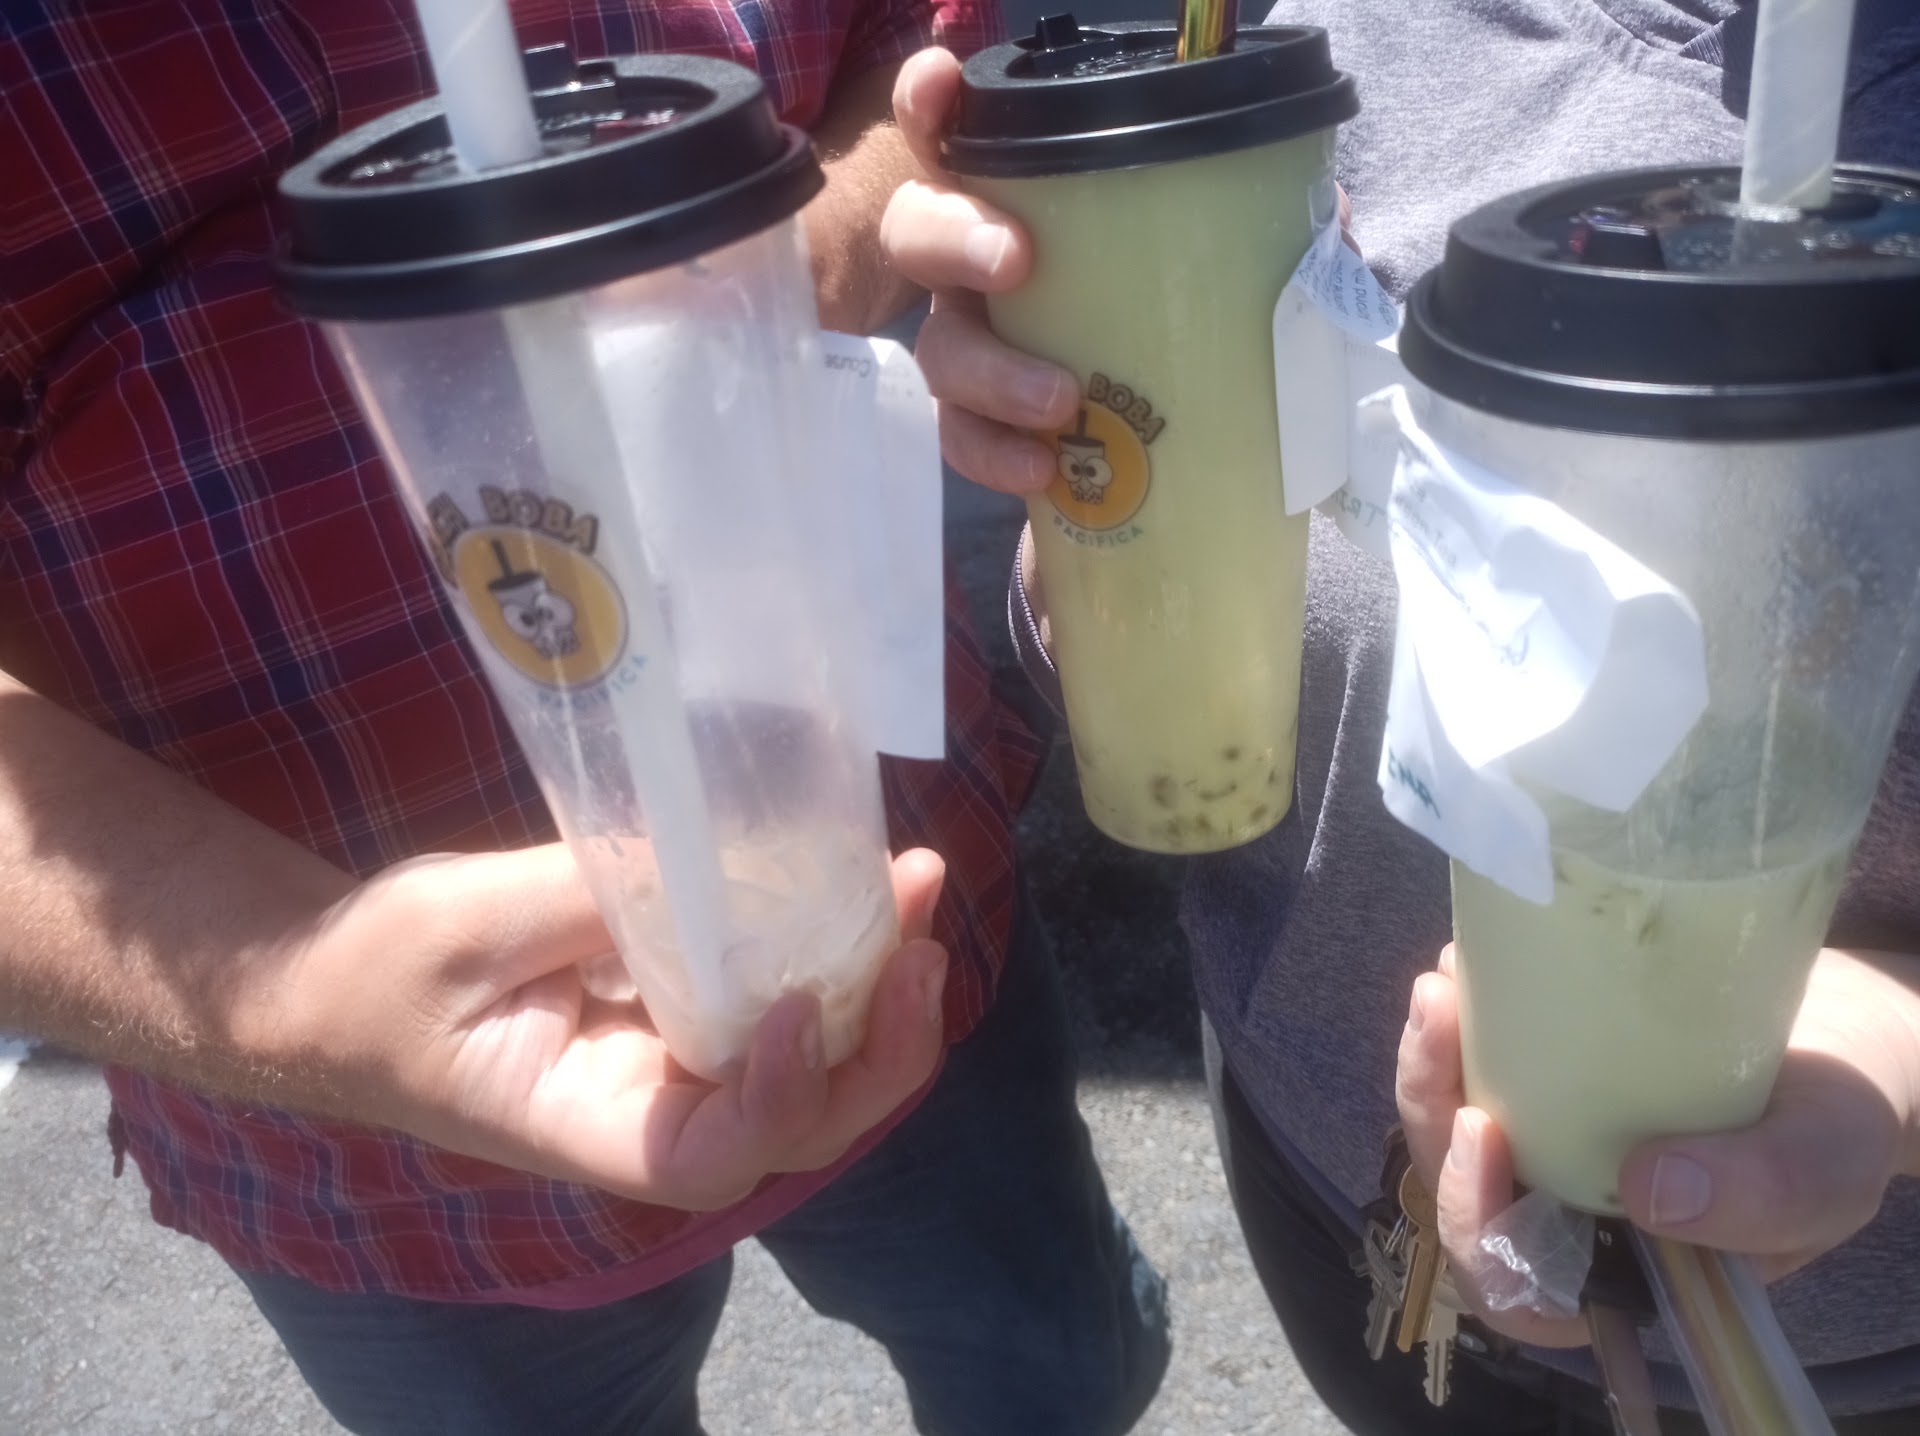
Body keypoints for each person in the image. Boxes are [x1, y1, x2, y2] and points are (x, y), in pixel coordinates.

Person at [1, 2, 1169, 1432]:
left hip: (884, 903)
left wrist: (779, 274)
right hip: (358, 1148)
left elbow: (910, 60)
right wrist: (299, 992)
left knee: (1053, 1365)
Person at [881, 1, 1920, 1430]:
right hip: (1329, 1177)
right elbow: (1284, 455)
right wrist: (1079, 518)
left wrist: (1894, 1048)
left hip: (1835, 1349)